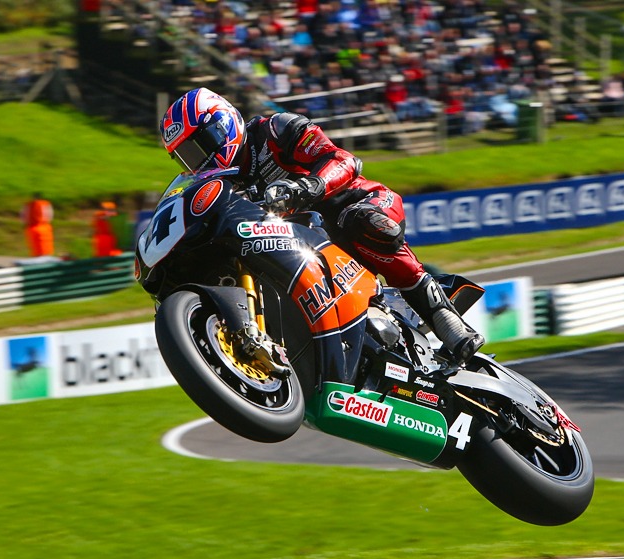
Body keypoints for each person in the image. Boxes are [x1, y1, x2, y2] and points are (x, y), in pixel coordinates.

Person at [158, 87, 484, 363]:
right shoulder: (218, 186)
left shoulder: (275, 130)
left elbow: (345, 161)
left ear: (223, 122)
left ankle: (444, 319)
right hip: (299, 244)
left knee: (364, 223)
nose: (199, 160)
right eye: (187, 155)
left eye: (200, 145)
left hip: (353, 204)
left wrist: (306, 187)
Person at [21, 192, 55, 257]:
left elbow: (23, 215)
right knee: (46, 244)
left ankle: (38, 257)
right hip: (45, 226)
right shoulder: (46, 204)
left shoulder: (28, 204)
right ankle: (45, 257)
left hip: (32, 226)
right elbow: (50, 215)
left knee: (35, 245)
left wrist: (25, 223)